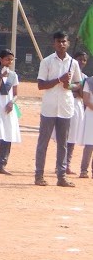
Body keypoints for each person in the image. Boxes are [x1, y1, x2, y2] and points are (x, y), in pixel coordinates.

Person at [34, 31, 82, 187]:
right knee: (43, 143)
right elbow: (41, 85)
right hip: (49, 107)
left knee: (63, 144)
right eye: (59, 41)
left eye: (64, 41)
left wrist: (70, 86)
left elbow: (78, 84)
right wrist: (58, 80)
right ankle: (39, 175)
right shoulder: (46, 62)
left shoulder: (73, 63)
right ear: (53, 43)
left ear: (67, 43)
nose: (61, 44)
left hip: (66, 107)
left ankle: (61, 176)